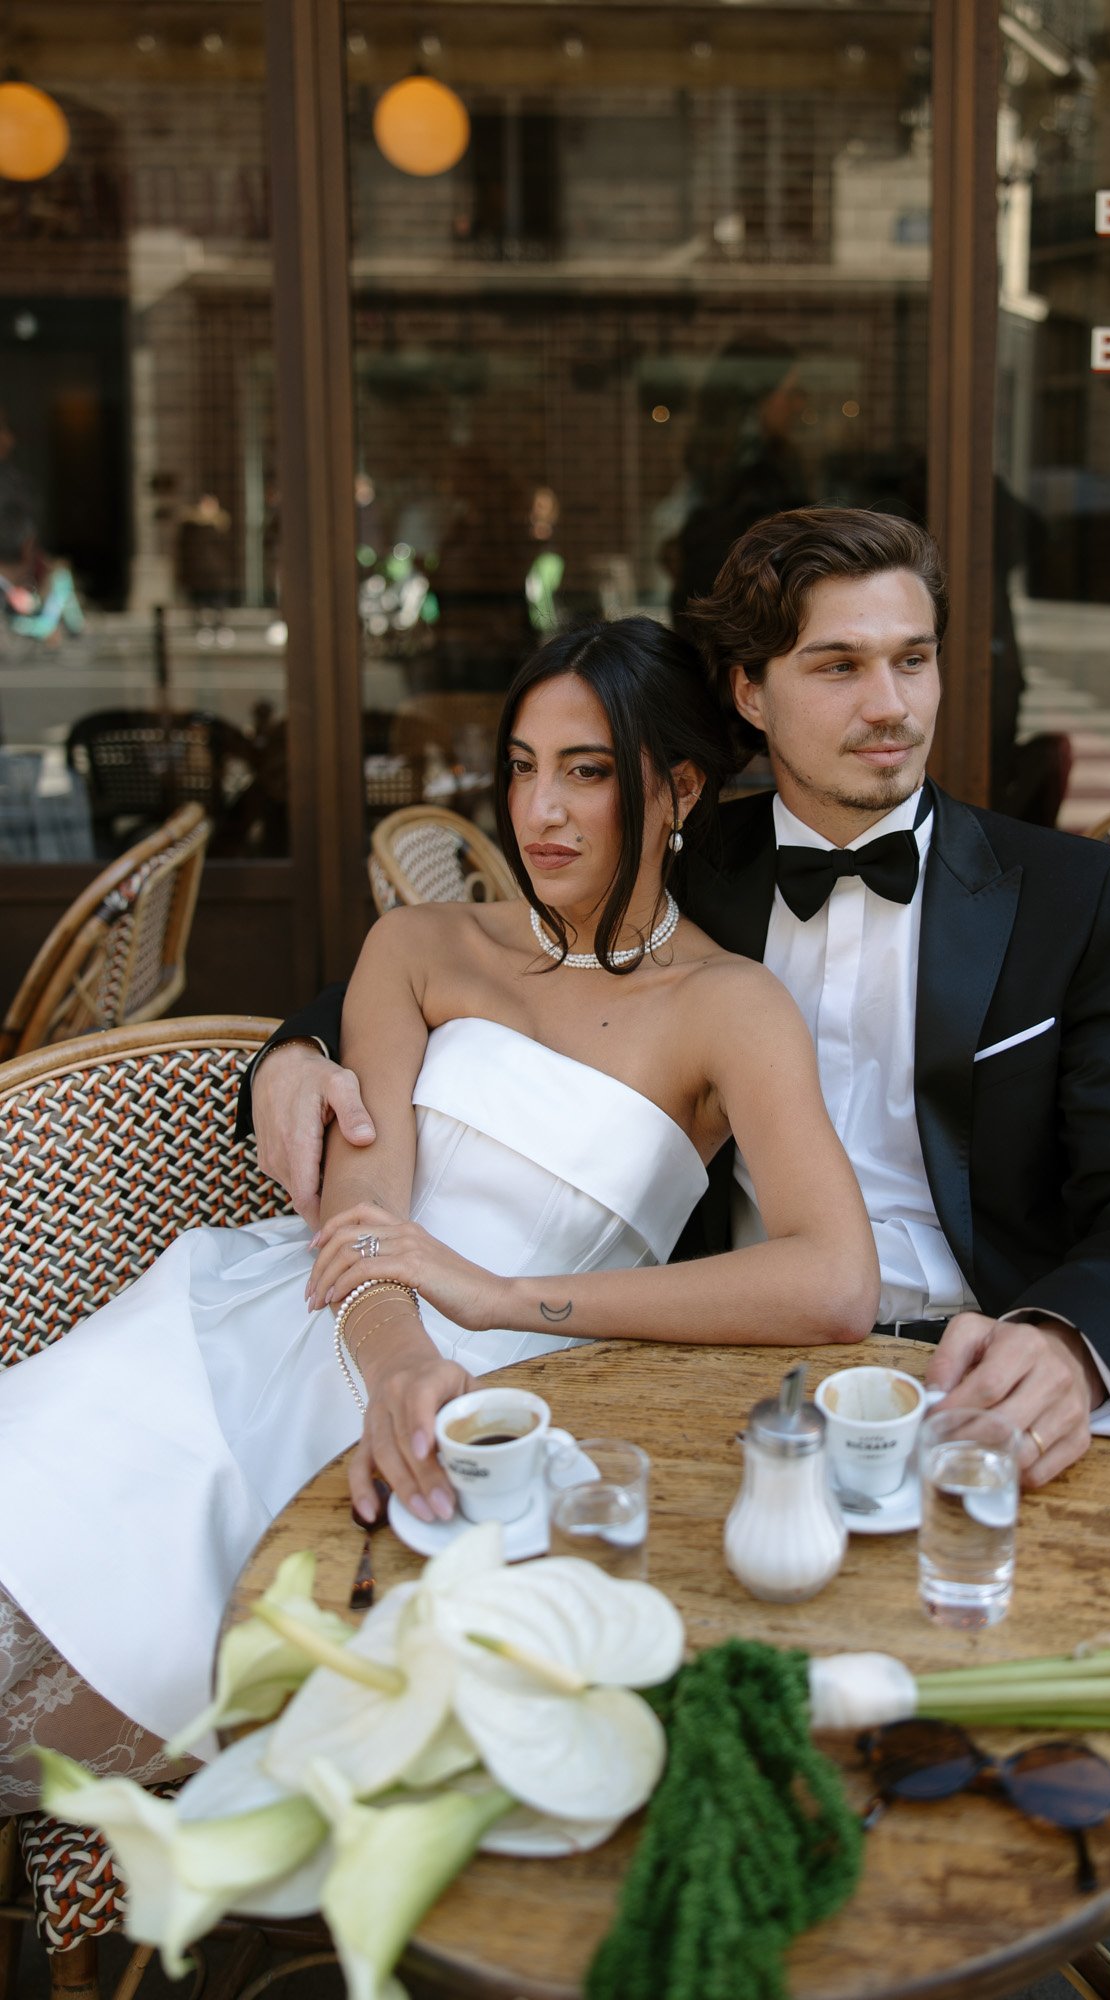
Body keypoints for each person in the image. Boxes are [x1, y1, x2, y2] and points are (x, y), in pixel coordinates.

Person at [254, 511, 1110, 1997]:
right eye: (837, 666)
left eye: (913, 660)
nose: (889, 704)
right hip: (705, 1373)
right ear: (750, 696)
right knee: (592, 1748)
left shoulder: (1068, 901)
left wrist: (1070, 1344)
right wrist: (291, 1050)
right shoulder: (676, 856)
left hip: (1008, 1374)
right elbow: (459, 976)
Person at [0, 615, 879, 1809]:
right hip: (286, 1324)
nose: (541, 813)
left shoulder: (731, 1005)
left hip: (497, 1392)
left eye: (586, 771)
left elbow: (833, 1282)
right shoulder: (422, 942)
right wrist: (399, 1348)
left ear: (676, 789)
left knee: (171, 1652)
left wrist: (502, 1298)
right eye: (521, 765)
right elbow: (363, 1197)